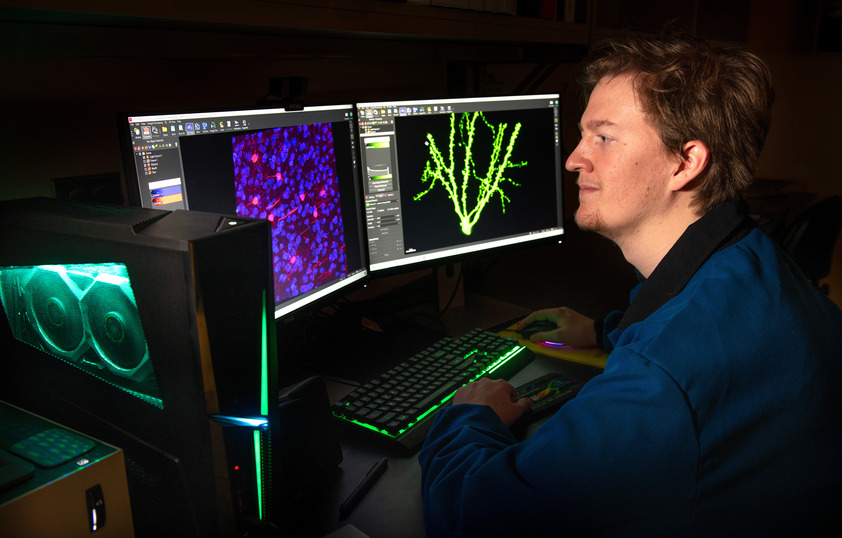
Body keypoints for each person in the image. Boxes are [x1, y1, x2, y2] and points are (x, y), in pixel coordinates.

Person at [418, 34, 842, 537]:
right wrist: (606, 332)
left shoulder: (663, 379)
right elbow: (700, 332)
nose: (575, 159)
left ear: (686, 162)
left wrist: (467, 418)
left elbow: (477, 517)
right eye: (582, 135)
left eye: (604, 136)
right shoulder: (748, 258)